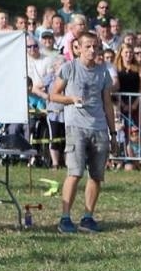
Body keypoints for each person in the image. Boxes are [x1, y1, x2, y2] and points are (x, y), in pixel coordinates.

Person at [48, 32, 115, 233]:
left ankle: (88, 217)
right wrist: (71, 99)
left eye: (95, 46)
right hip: (76, 126)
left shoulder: (103, 72)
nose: (92, 50)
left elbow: (107, 103)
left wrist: (113, 131)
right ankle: (65, 217)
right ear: (78, 47)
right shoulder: (69, 68)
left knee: (96, 175)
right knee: (75, 172)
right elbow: (54, 95)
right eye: (88, 46)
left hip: (99, 127)